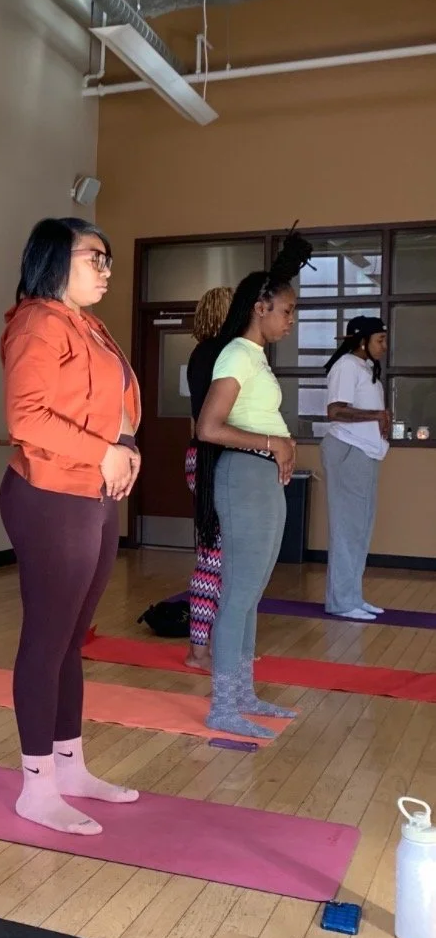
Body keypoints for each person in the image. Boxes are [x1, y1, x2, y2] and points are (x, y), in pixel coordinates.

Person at [0, 218, 142, 836]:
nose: (106, 270)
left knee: (73, 637)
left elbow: (117, 407)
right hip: (50, 493)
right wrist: (103, 452)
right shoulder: (38, 321)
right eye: (95, 257)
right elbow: (27, 417)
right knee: (47, 637)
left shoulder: (90, 326)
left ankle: (71, 766)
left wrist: (126, 446)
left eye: (109, 260)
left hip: (92, 496)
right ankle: (37, 786)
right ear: (57, 257)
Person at [194, 236, 314, 737]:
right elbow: (208, 427)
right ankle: (223, 705)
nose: (290, 320)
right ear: (260, 307)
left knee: (253, 590)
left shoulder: (255, 355)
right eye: (285, 311)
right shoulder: (237, 356)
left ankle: (244, 693)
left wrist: (278, 450)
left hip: (260, 477)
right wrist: (272, 443)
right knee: (239, 593)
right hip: (242, 476)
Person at [322, 315, 390, 621]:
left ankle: (353, 596)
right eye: (380, 339)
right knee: (347, 528)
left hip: (365, 454)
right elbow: (335, 411)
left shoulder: (364, 367)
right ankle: (340, 601)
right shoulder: (346, 366)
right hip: (348, 451)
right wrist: (377, 415)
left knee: (361, 528)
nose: (384, 346)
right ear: (362, 341)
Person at [184, 286, 234, 670]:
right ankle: (200, 650)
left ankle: (218, 644)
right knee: (214, 557)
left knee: (220, 556)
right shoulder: (220, 354)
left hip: (204, 458)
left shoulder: (202, 354)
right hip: (214, 460)